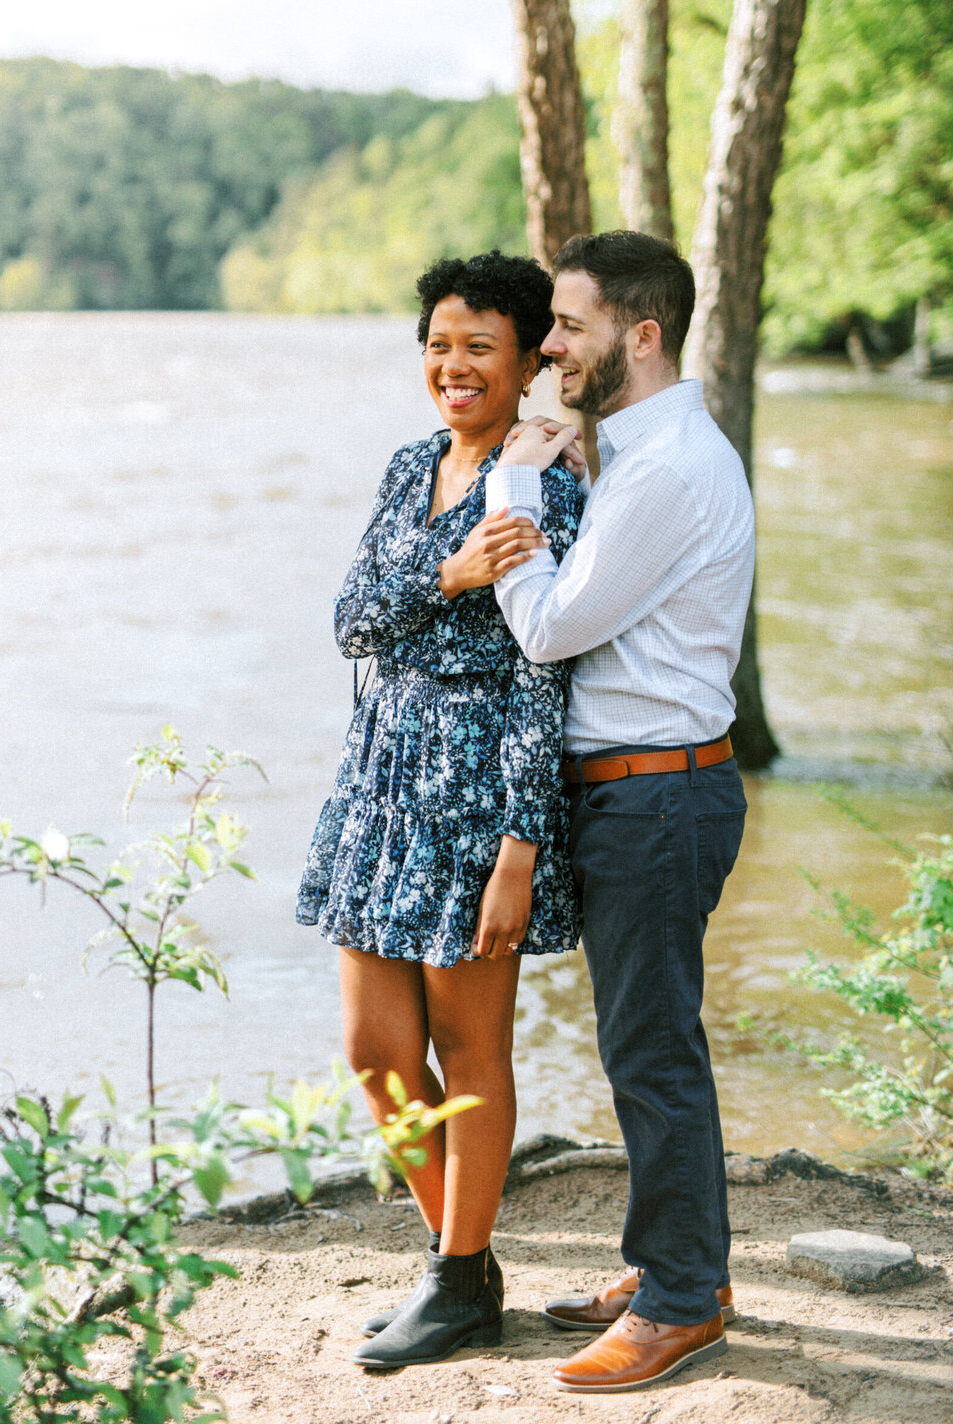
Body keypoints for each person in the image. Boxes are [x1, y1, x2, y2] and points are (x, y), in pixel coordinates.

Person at [457, 229, 755, 1394]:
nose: (551, 346)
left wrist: (516, 486)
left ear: (642, 334)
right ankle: (684, 1267)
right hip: (653, 787)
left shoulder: (670, 465)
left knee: (650, 1050)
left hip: (659, 792)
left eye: (569, 327)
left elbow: (548, 625)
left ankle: (682, 1303)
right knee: (650, 1041)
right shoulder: (639, 455)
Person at [296, 250, 584, 1370]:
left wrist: (521, 844)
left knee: (469, 1048)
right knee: (374, 1051)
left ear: (524, 365)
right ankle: (462, 1261)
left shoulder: (545, 488)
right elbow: (353, 622)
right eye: (438, 347)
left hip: (476, 786)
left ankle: (458, 1277)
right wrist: (446, 574)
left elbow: (542, 673)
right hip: (381, 773)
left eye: (479, 349)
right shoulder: (411, 464)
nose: (453, 368)